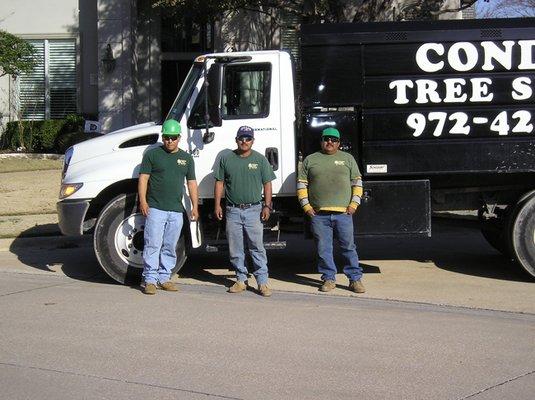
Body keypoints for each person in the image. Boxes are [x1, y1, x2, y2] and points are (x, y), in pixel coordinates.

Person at [297, 127, 365, 293]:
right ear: (321, 141)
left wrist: (354, 205)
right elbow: (301, 184)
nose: (330, 142)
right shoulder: (310, 160)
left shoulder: (347, 159)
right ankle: (328, 279)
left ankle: (355, 280)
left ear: (338, 143)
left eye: (333, 140)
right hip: (319, 215)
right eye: (326, 139)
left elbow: (357, 183)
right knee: (323, 248)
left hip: (343, 213)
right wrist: (306, 206)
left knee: (349, 247)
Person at [214, 126, 276, 297]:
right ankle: (241, 280)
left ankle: (262, 282)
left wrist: (267, 205)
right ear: (236, 139)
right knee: (235, 248)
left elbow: (268, 184)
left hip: (254, 210)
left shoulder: (261, 160)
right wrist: (217, 205)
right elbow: (219, 182)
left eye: (248, 138)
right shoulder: (226, 159)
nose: (244, 141)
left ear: (253, 141)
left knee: (257, 247)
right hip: (232, 210)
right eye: (241, 138)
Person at [138, 119, 198, 295]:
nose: (169, 141)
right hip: (156, 208)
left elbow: (192, 183)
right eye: (166, 137)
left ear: (179, 138)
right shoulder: (152, 155)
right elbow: (143, 179)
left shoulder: (186, 159)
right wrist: (143, 201)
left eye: (173, 137)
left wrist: (195, 206)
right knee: (152, 244)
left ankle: (164, 278)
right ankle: (149, 279)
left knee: (169, 246)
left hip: (176, 210)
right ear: (162, 137)